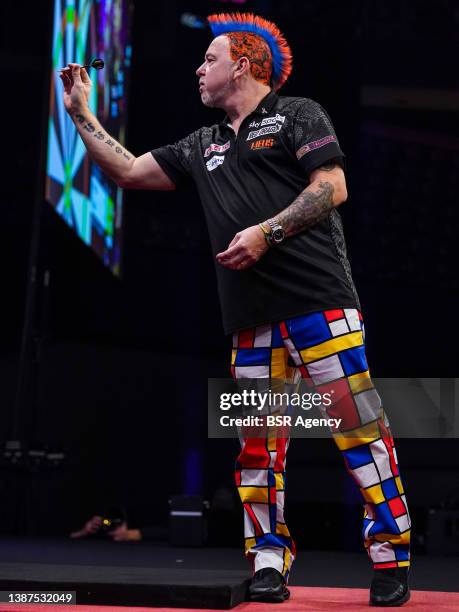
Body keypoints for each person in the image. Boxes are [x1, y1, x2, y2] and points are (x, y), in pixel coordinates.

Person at [59, 12, 411, 606]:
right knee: (257, 449)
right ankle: (268, 561)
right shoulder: (202, 143)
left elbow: (333, 187)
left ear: (242, 66)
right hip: (250, 322)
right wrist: (79, 111)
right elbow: (125, 169)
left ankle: (390, 559)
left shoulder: (298, 113)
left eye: (208, 59)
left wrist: (266, 234)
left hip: (322, 306)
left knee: (360, 430)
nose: (199, 69)